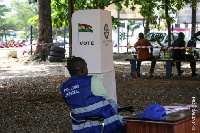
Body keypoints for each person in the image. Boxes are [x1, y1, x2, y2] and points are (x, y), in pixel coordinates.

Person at [60, 56, 124, 133]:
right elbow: (104, 96)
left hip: (80, 126)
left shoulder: (64, 87)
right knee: (113, 104)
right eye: (86, 67)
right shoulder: (92, 80)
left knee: (112, 103)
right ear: (83, 69)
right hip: (103, 123)